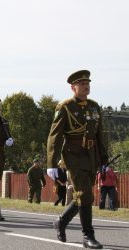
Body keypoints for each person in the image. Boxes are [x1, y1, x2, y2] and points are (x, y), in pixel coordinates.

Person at [47, 70, 108, 249]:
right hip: (73, 155)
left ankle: (61, 221)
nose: (86, 86)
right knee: (84, 194)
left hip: (91, 156)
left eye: (88, 83)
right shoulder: (65, 107)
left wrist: (103, 160)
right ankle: (88, 236)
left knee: (83, 195)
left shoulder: (95, 106)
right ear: (73, 87)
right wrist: (51, 163)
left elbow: (99, 136)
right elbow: (54, 136)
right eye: (82, 84)